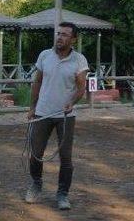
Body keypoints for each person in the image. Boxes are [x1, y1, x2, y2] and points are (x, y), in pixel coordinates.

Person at [25, 21, 89, 210]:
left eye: (65, 35)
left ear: (73, 39)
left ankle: (62, 194)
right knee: (35, 153)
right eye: (58, 34)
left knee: (66, 157)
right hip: (42, 113)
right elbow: (37, 82)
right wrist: (32, 107)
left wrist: (72, 102)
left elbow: (81, 87)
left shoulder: (79, 60)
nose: (60, 37)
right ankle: (36, 185)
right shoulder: (45, 55)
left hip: (65, 116)